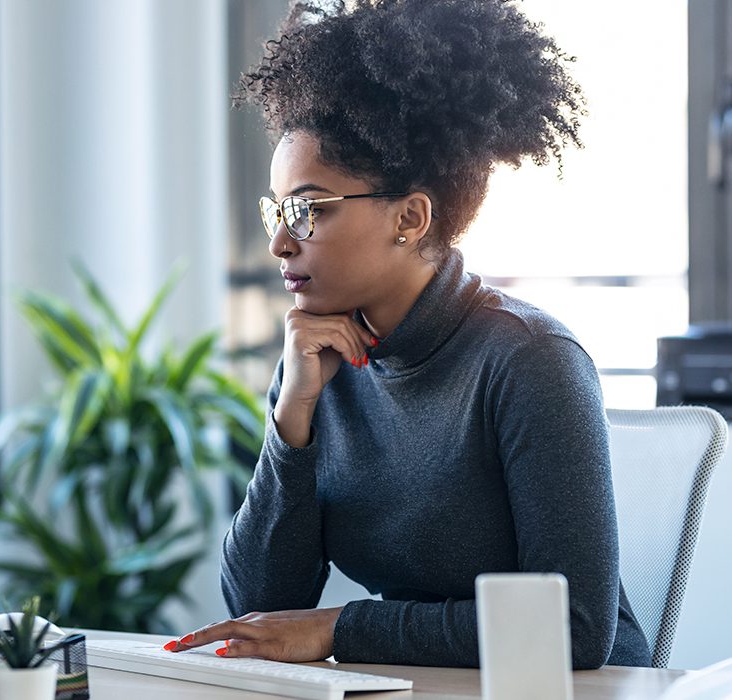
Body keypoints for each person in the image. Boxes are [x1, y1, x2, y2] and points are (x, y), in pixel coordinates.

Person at [166, 0, 651, 668]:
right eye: (276, 210)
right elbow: (258, 604)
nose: (278, 241)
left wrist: (342, 629)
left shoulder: (529, 360)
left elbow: (573, 629)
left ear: (411, 218)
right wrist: (292, 421)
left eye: (306, 210)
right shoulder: (317, 361)